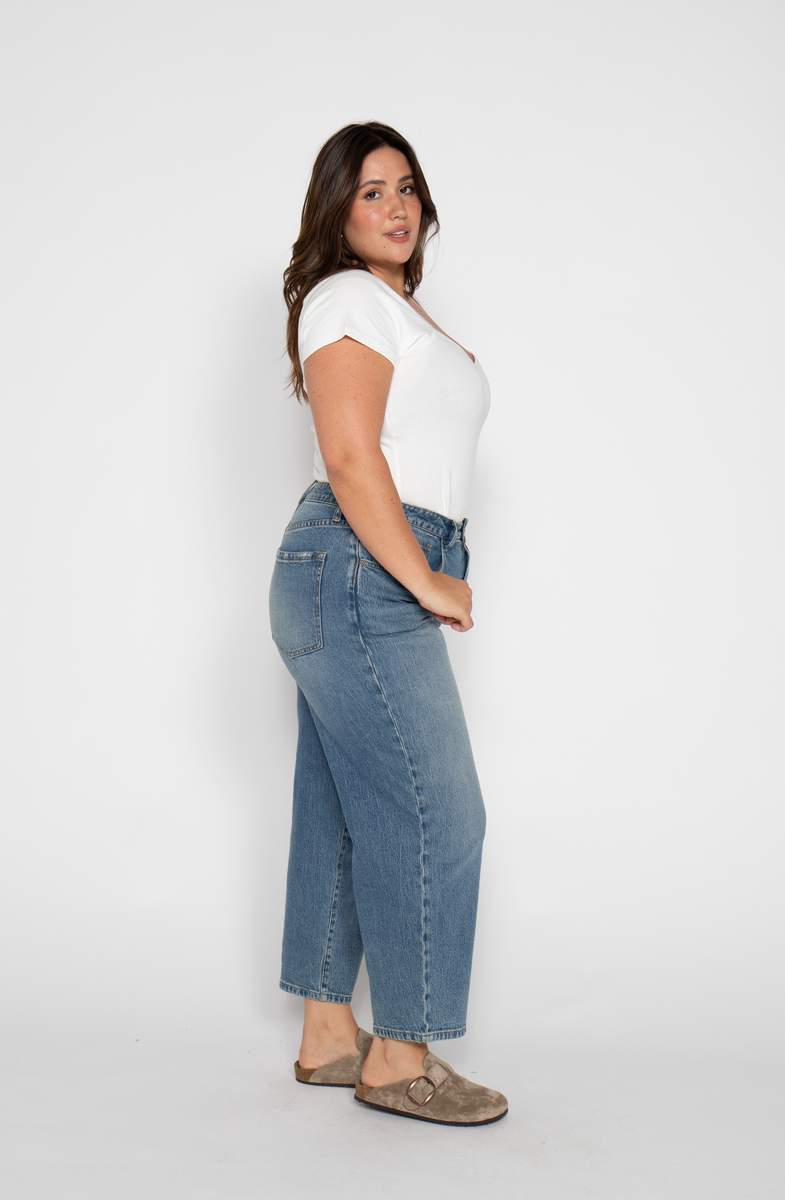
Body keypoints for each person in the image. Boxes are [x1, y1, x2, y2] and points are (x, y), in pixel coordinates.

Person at [269, 121, 507, 1126]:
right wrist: (428, 581)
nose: (397, 205)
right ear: (336, 209)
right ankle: (398, 1056)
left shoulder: (390, 309)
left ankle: (331, 1035)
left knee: (344, 806)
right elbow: (352, 457)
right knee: (433, 812)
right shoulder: (346, 300)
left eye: (406, 186)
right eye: (370, 191)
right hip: (368, 563)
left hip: (350, 569)